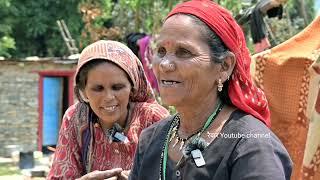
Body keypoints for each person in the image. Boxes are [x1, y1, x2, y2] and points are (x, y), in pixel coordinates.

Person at [129, 0, 292, 180]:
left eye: (184, 52)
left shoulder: (252, 145)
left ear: (224, 66)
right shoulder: (151, 139)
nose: (165, 65)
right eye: (161, 51)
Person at [47, 40, 169, 179]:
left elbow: (175, 172)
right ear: (84, 91)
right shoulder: (76, 118)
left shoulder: (153, 119)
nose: (109, 97)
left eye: (117, 87)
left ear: (132, 86)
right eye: (98, 89)